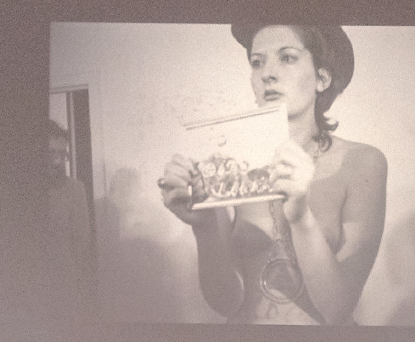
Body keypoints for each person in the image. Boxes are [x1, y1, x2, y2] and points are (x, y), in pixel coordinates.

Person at [158, 25, 387, 324]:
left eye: (287, 58)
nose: (267, 73)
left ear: (321, 78)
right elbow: (225, 301)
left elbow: (337, 309)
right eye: (257, 62)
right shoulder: (231, 164)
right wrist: (203, 225)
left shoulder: (361, 162)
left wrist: (301, 218)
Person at [48, 119, 94, 306]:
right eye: (51, 153)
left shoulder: (75, 189)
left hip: (62, 285)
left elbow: (81, 242)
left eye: (62, 154)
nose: (58, 161)